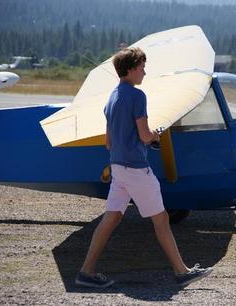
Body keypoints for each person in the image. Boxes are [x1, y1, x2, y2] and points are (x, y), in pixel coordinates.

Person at [75, 47, 213, 288]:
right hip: (137, 170)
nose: (144, 72)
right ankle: (182, 272)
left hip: (118, 168)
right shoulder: (138, 97)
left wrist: (140, 138)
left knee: (111, 219)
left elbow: (108, 143)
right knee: (161, 220)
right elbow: (144, 134)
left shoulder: (111, 98)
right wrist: (156, 135)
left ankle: (86, 272)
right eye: (141, 67)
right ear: (130, 70)